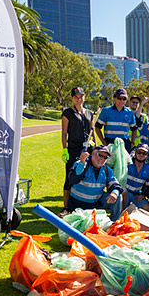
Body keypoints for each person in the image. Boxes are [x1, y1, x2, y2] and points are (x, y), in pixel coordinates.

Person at [67, 145, 124, 221]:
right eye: (100, 155)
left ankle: (114, 222)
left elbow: (115, 184)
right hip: (78, 205)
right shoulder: (81, 163)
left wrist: (115, 193)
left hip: (96, 203)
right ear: (93, 153)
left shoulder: (107, 170)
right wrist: (82, 163)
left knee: (118, 196)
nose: (102, 159)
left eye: (105, 157)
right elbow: (72, 179)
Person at [61, 86, 93, 215]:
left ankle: (82, 204)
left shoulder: (89, 113)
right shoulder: (68, 113)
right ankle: (66, 207)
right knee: (70, 176)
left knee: (85, 175)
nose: (79, 99)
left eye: (81, 96)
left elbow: (92, 131)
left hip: (86, 149)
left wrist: (94, 145)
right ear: (72, 98)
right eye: (76, 97)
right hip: (73, 149)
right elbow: (64, 133)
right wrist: (64, 149)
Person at [95, 88, 137, 152]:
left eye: (124, 99)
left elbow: (134, 129)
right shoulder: (106, 111)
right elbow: (97, 127)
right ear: (115, 98)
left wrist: (132, 143)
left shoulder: (130, 113)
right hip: (110, 142)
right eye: (119, 98)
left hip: (124, 143)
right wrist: (103, 142)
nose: (122, 101)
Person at [125, 143, 149, 212]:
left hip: (136, 195)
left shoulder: (148, 169)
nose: (141, 155)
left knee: (147, 208)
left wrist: (143, 195)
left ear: (147, 155)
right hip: (125, 192)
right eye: (139, 152)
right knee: (123, 209)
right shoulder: (128, 164)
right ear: (135, 153)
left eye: (144, 153)